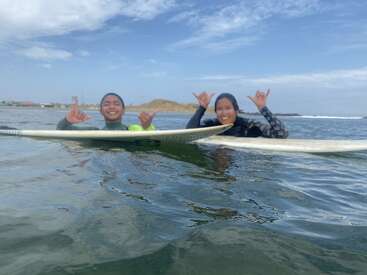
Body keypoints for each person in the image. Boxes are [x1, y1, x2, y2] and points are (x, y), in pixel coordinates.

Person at [186, 90, 288, 138]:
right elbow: (188, 133)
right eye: (219, 109)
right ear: (216, 112)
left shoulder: (249, 126)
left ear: (236, 110)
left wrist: (263, 108)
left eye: (228, 108)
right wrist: (202, 108)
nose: (224, 112)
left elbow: (281, 133)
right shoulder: (212, 125)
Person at [57, 92, 156, 131]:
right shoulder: (93, 132)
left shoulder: (133, 129)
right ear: (101, 111)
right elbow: (60, 130)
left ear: (123, 111)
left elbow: (151, 136)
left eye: (116, 104)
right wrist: (67, 120)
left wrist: (147, 126)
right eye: (106, 104)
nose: (111, 107)